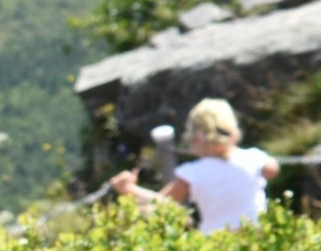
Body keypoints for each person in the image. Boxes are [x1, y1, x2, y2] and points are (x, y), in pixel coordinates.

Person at [109, 98, 278, 233]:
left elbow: (163, 202)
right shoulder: (253, 158)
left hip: (216, 246)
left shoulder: (192, 173)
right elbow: (273, 169)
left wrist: (128, 188)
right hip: (257, 239)